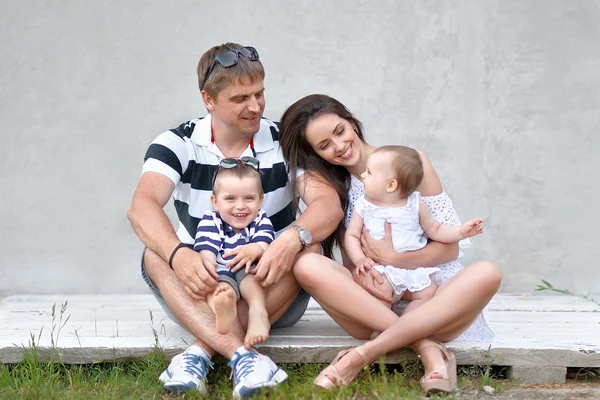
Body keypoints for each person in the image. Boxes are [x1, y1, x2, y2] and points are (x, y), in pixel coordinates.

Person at [127, 45, 344, 398]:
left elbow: (327, 204)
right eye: (241, 98)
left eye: (260, 93)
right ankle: (244, 356)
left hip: (272, 286)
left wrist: (290, 239)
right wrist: (179, 256)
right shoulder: (177, 142)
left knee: (309, 246)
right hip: (200, 289)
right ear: (208, 100)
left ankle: (201, 351)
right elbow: (142, 206)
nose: (256, 106)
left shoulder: (284, 141)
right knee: (156, 254)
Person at [279, 94, 501, 395]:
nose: (339, 146)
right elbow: (352, 263)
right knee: (306, 263)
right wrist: (369, 278)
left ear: (351, 121)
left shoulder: (410, 162)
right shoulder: (335, 190)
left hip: (432, 296)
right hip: (376, 304)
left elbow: (448, 247)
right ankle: (427, 347)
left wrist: (393, 258)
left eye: (340, 131)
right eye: (324, 146)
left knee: (487, 272)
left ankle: (363, 355)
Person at [346, 145, 485, 315]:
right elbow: (352, 235)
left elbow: (436, 229)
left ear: (390, 185)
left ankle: (408, 324)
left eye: (369, 173)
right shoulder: (364, 205)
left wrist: (461, 232)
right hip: (381, 269)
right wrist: (360, 259)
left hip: (412, 268)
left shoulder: (415, 204)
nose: (363, 175)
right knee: (380, 292)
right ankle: (384, 328)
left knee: (428, 292)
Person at [195, 158, 274, 349]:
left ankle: (257, 311)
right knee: (218, 287)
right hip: (222, 269)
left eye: (249, 198)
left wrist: (256, 248)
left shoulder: (260, 218)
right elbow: (207, 251)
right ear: (215, 202)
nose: (240, 206)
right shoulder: (210, 220)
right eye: (230, 199)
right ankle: (223, 309)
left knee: (251, 281)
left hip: (248, 268)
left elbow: (265, 241)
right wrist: (208, 271)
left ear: (260, 200)